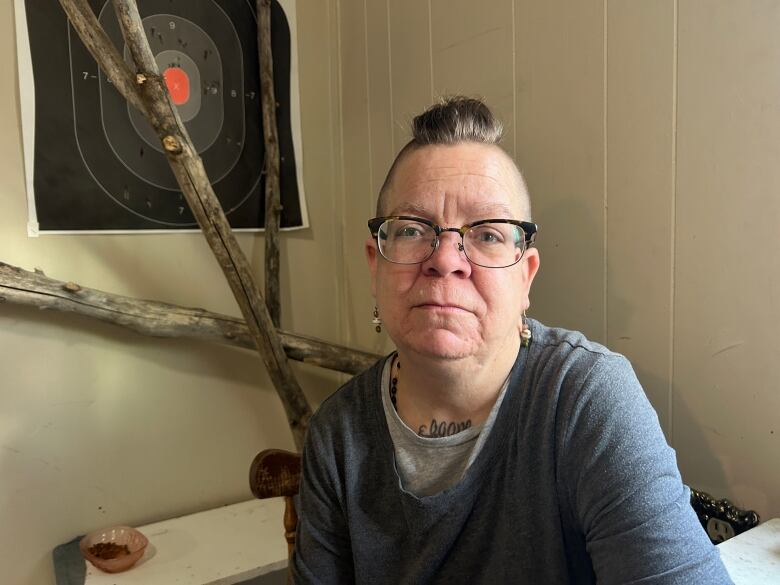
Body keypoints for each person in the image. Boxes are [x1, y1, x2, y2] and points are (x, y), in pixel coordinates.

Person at [292, 97, 733, 584]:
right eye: (414, 229)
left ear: (526, 278)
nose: (445, 259)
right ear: (376, 267)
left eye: (487, 235)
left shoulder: (587, 400)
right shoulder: (336, 436)